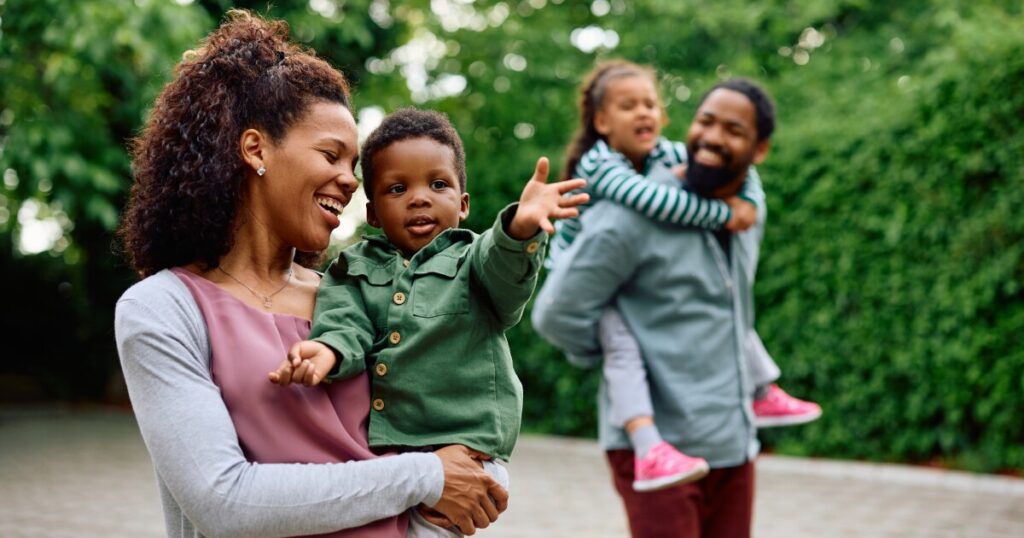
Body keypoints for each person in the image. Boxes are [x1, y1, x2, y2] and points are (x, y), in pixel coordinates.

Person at [115, 11, 506, 537]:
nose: (349, 181)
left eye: (355, 167)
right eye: (332, 155)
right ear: (256, 149)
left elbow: (458, 430)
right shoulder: (162, 309)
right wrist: (426, 475)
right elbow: (223, 501)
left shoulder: (361, 298)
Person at [268, 108, 588, 536]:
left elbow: (505, 277)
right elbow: (346, 323)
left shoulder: (473, 260)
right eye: (397, 188)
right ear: (374, 212)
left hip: (467, 450)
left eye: (438, 184)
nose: (419, 198)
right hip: (394, 450)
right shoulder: (354, 267)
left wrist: (519, 229)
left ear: (463, 203)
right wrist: (324, 351)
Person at [548, 60, 820, 493]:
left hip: (728, 440)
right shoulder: (600, 166)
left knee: (726, 301)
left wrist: (750, 197)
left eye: (650, 104)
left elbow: (738, 177)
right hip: (572, 270)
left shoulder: (666, 154)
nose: (643, 113)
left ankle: (761, 388)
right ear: (601, 121)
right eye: (627, 106)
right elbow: (658, 203)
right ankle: (647, 443)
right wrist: (725, 213)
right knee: (623, 346)